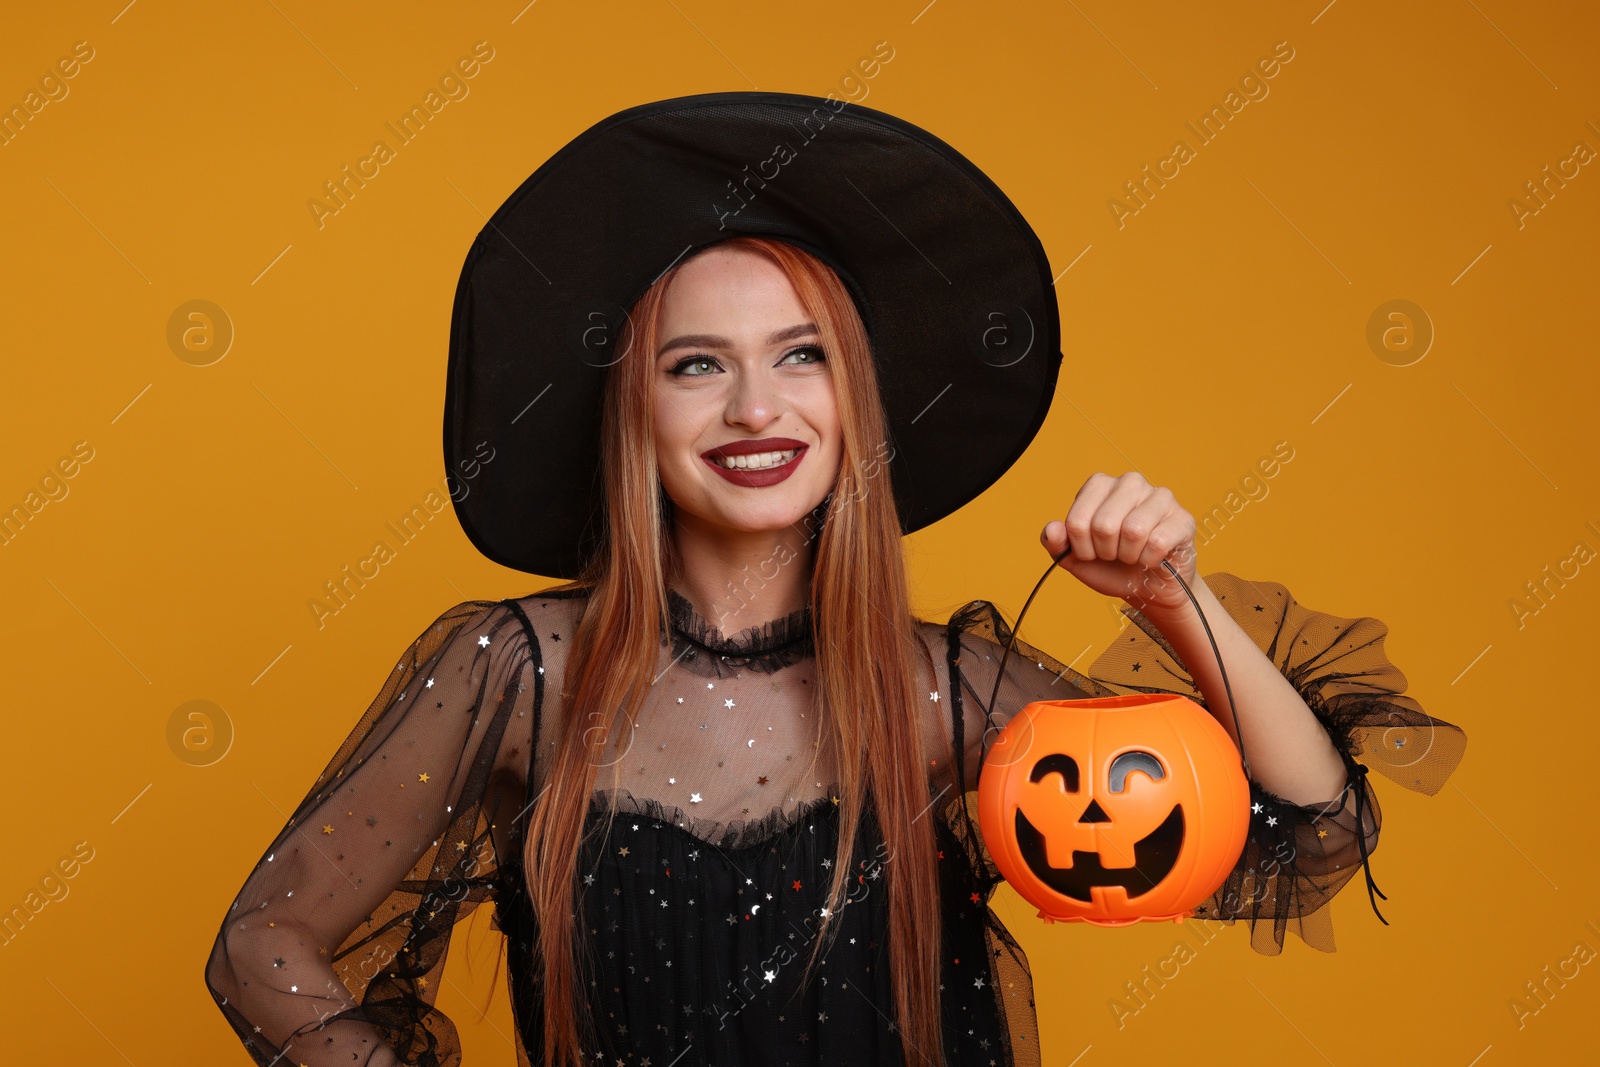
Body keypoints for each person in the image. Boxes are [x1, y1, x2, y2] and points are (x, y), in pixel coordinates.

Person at [203, 93, 1467, 1067]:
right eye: (697, 364)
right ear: (631, 410)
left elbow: (1311, 835)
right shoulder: (517, 670)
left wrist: (1172, 602)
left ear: (853, 401)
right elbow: (265, 941)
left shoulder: (945, 691)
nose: (756, 404)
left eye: (799, 354)